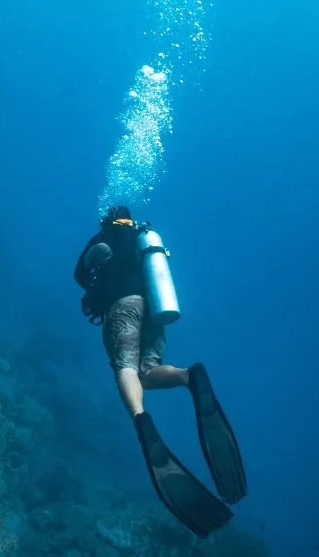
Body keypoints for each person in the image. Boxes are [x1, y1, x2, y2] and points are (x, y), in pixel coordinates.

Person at [74, 205, 247, 538]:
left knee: (125, 367)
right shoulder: (144, 238)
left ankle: (140, 419)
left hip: (122, 307)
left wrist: (95, 268)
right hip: (155, 309)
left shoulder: (102, 238)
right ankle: (188, 377)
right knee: (146, 372)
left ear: (108, 220)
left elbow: (79, 276)